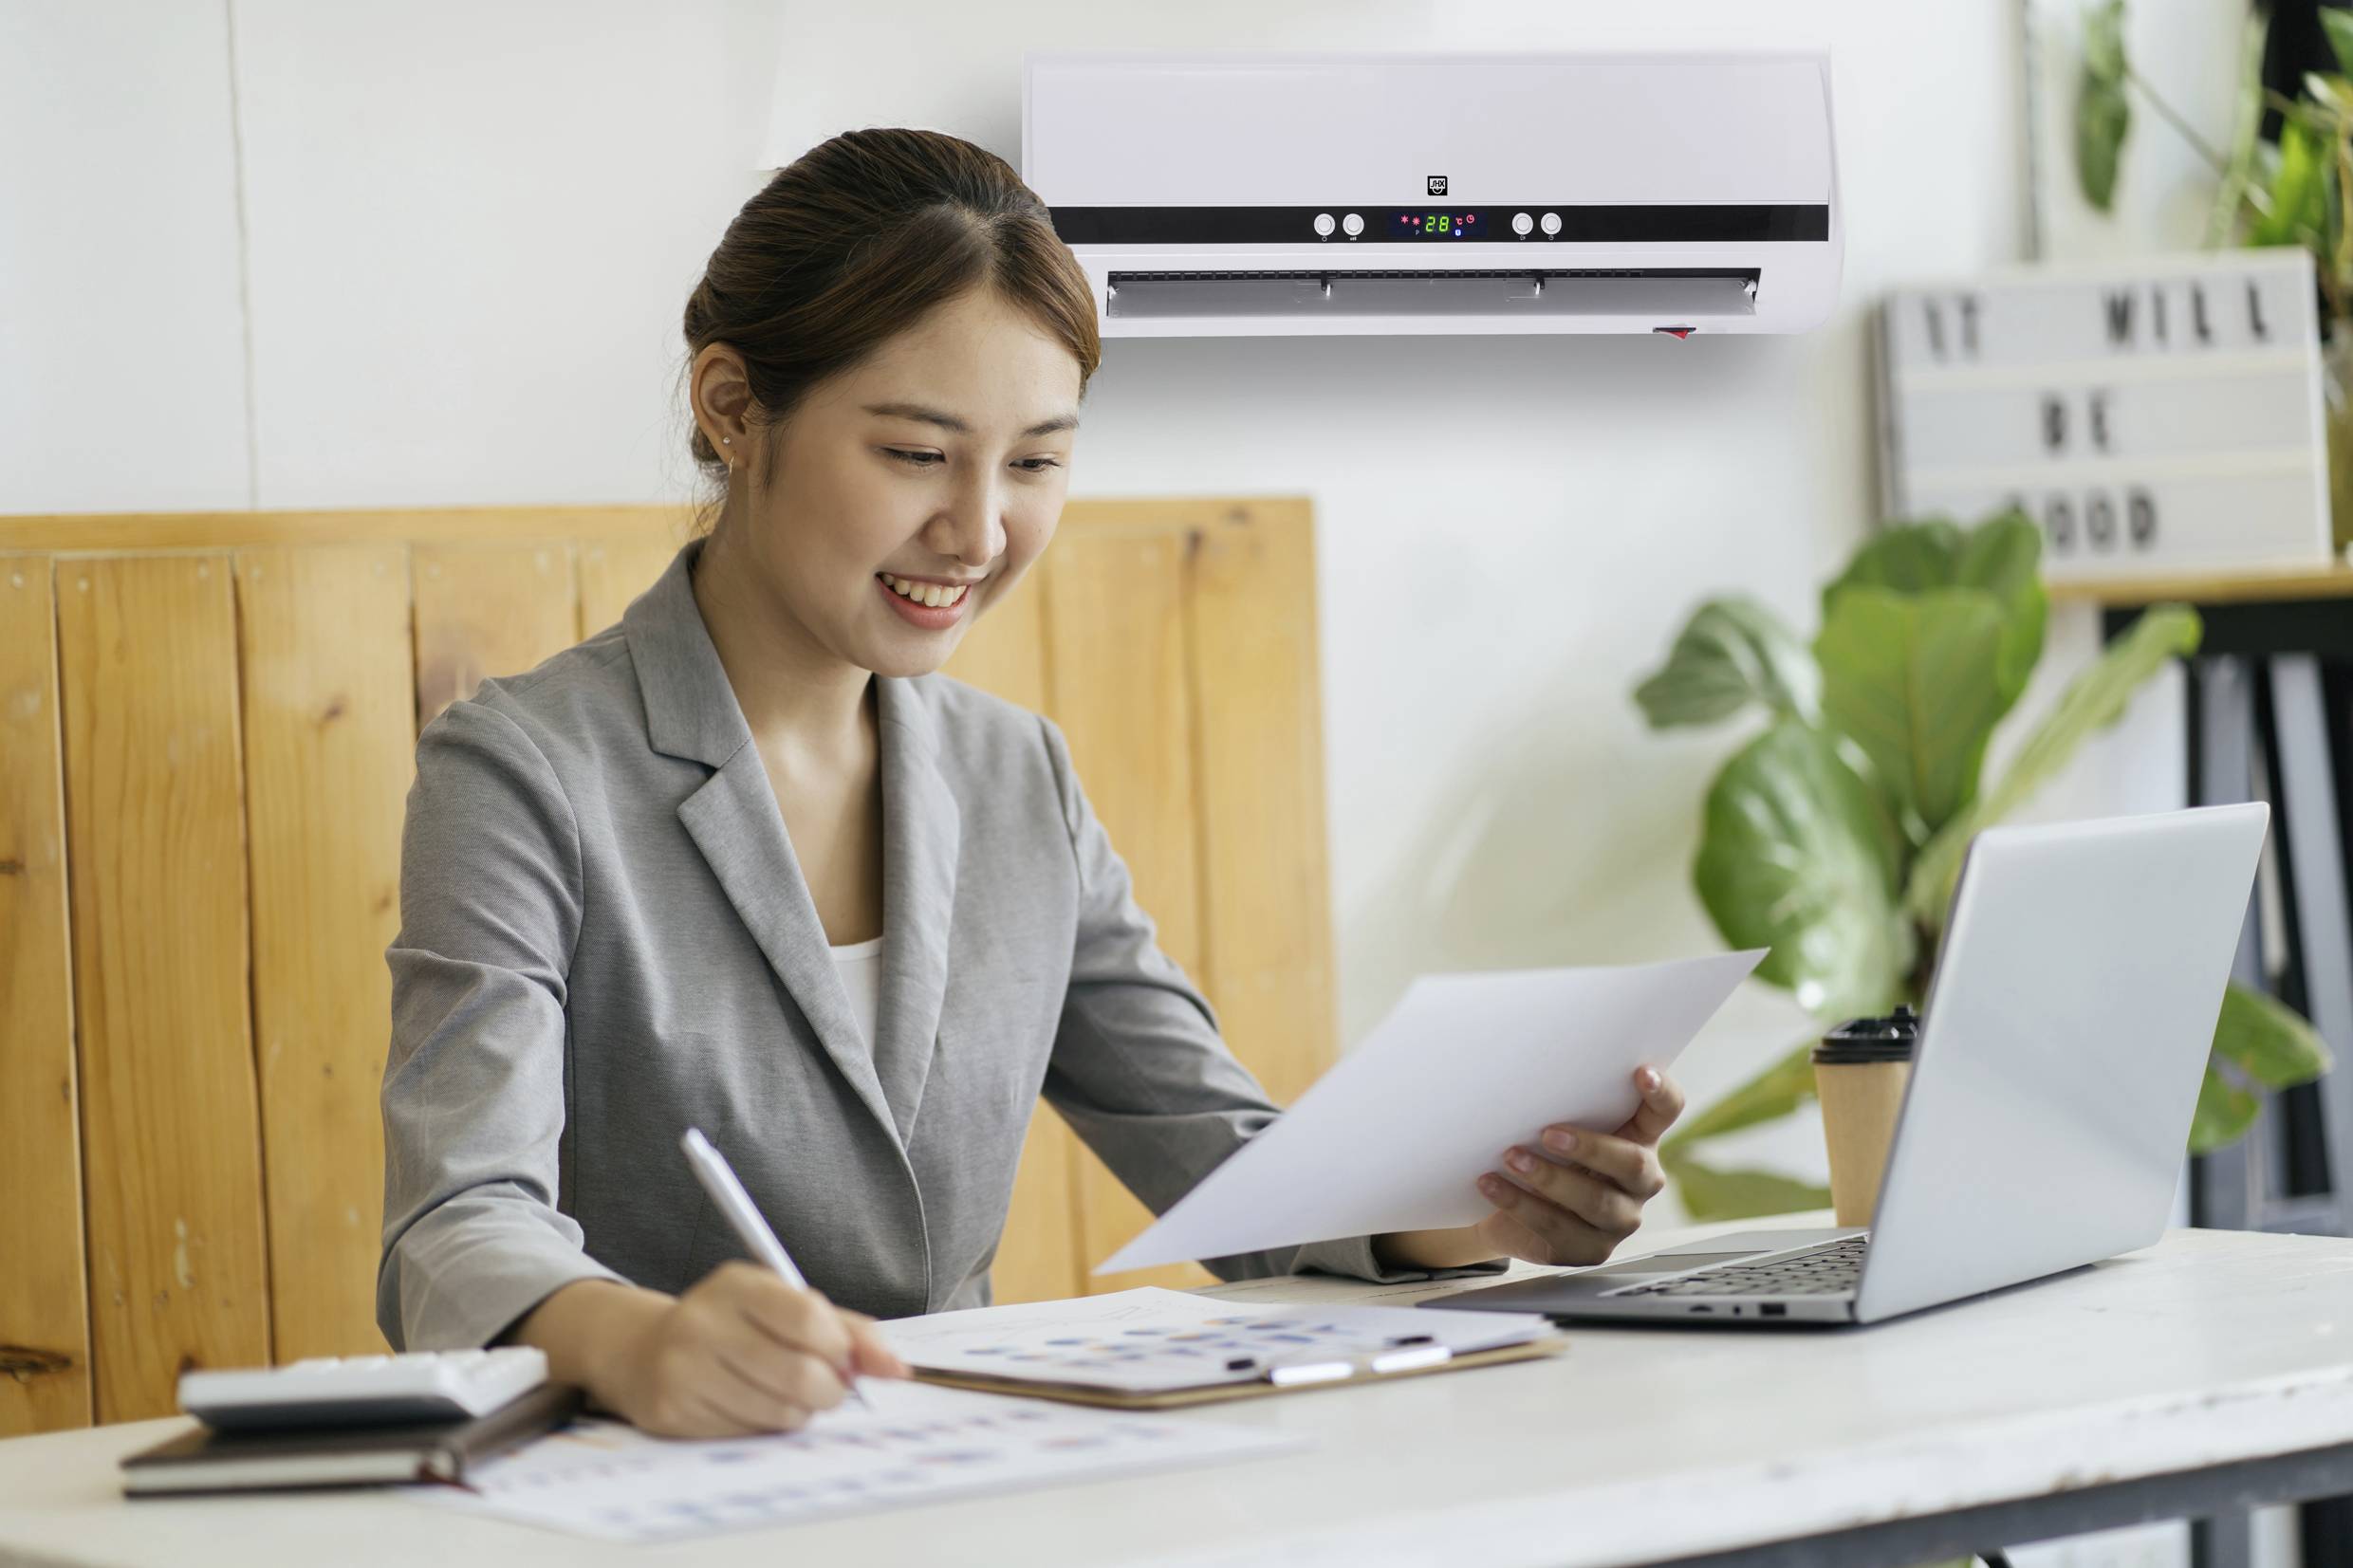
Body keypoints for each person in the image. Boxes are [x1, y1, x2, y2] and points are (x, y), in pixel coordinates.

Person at [378, 127, 1687, 1440]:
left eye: (1037, 460)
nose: (981, 529)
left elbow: (1226, 1156)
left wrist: (1472, 1210)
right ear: (731, 406)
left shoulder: (1017, 775)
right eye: (914, 452)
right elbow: (456, 1221)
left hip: (966, 1469)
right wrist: (638, 1339)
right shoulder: (525, 771)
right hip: (656, 1475)